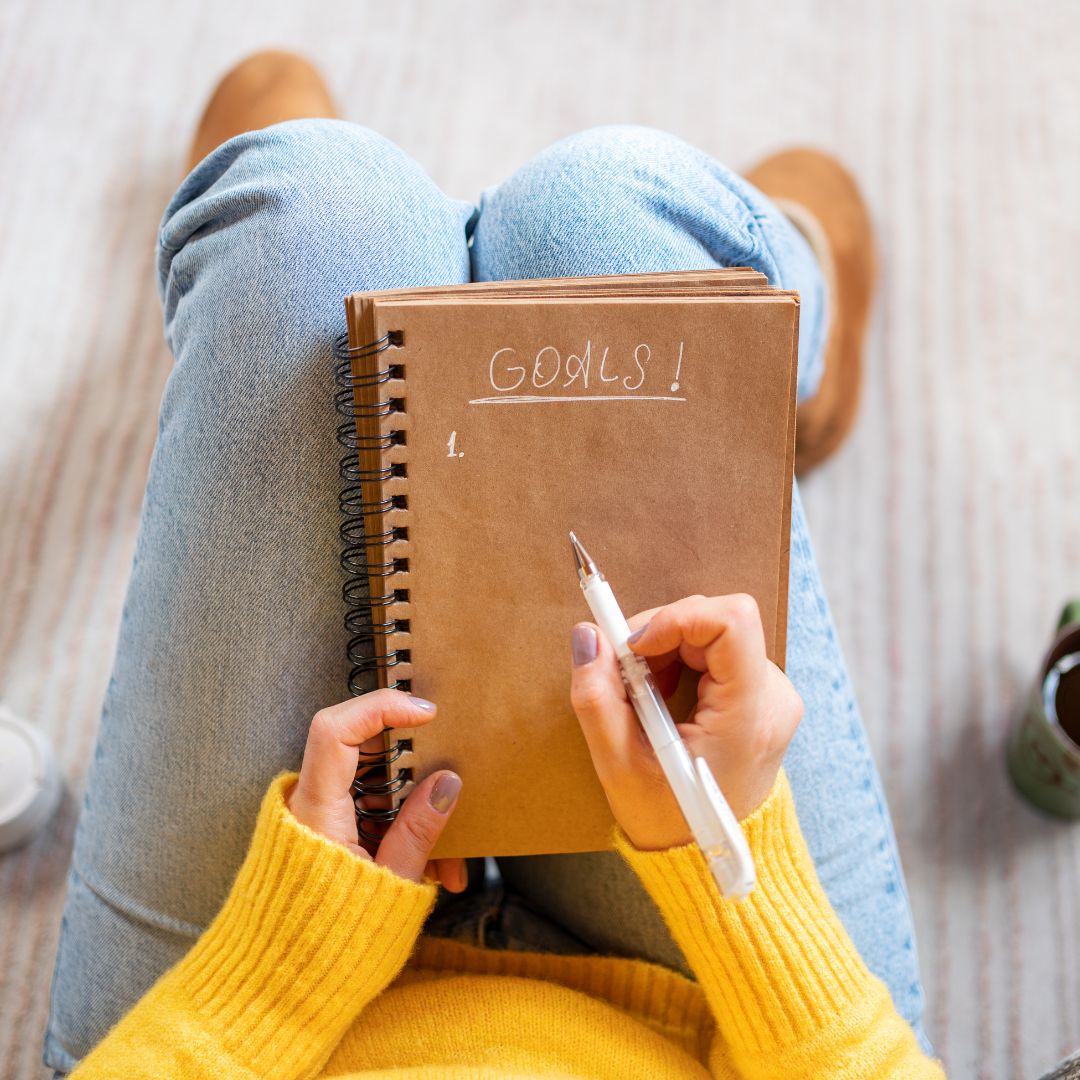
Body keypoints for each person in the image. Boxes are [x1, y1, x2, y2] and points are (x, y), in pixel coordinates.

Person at [43, 50, 944, 1079]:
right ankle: (803, 351)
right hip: (713, 1002)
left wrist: (281, 966)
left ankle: (264, 282)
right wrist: (725, 855)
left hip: (249, 1008)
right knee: (610, 208)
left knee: (299, 208)